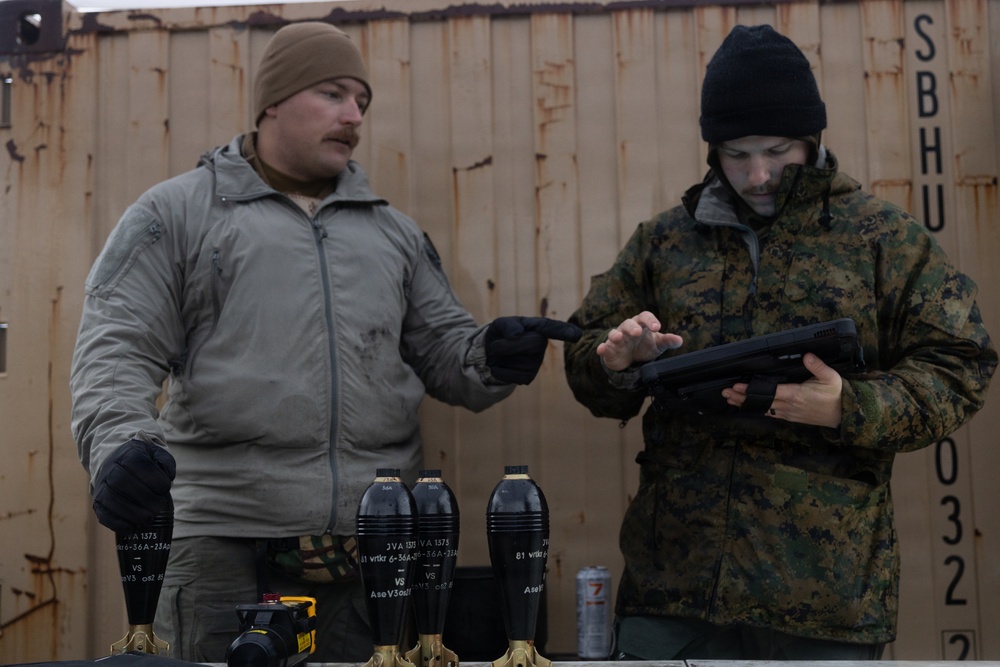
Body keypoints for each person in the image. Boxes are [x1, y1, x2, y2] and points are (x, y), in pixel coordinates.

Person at [70, 21, 580, 663]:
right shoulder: (177, 215)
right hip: (225, 548)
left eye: (362, 102)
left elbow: (450, 359)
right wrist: (121, 446)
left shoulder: (393, 233)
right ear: (271, 102)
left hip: (377, 554)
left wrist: (493, 356)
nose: (354, 116)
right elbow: (116, 348)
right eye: (334, 94)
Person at [563, 24, 996, 661]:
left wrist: (851, 406)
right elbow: (583, 350)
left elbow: (963, 362)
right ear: (713, 149)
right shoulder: (665, 242)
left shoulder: (881, 237)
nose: (758, 173)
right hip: (673, 592)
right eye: (737, 153)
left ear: (811, 140)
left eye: (777, 149)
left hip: (823, 600)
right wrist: (617, 362)